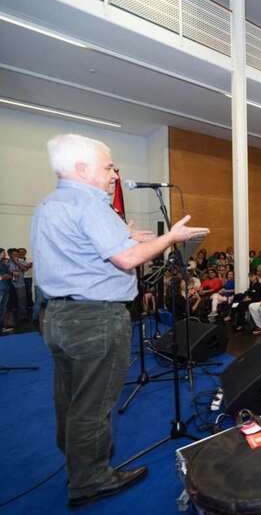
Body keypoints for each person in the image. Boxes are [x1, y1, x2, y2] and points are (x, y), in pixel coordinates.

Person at [31, 134, 208, 507]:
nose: (115, 174)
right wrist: (170, 238)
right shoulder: (90, 204)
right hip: (94, 318)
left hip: (58, 316)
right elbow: (128, 259)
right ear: (82, 169)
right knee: (93, 403)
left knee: (69, 396)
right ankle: (90, 480)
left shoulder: (50, 204)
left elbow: (86, 248)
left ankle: (77, 458)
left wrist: (125, 235)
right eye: (109, 167)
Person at [0, 248, 12, 333]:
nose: (5, 255)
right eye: (3, 253)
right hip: (1, 289)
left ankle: (2, 327)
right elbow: (2, 277)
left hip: (5, 288)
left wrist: (10, 275)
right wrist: (3, 277)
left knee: (3, 309)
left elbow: (9, 274)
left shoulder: (3, 263)